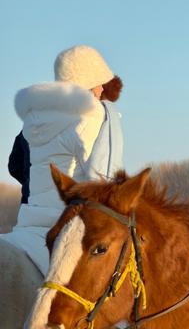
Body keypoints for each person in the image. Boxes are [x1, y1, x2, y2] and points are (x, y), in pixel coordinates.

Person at [5, 45, 124, 275]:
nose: (102, 89)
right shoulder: (92, 116)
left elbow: (15, 165)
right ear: (89, 80)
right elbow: (99, 179)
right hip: (65, 223)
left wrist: (43, 185)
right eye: (100, 82)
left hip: (28, 220)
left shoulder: (35, 117)